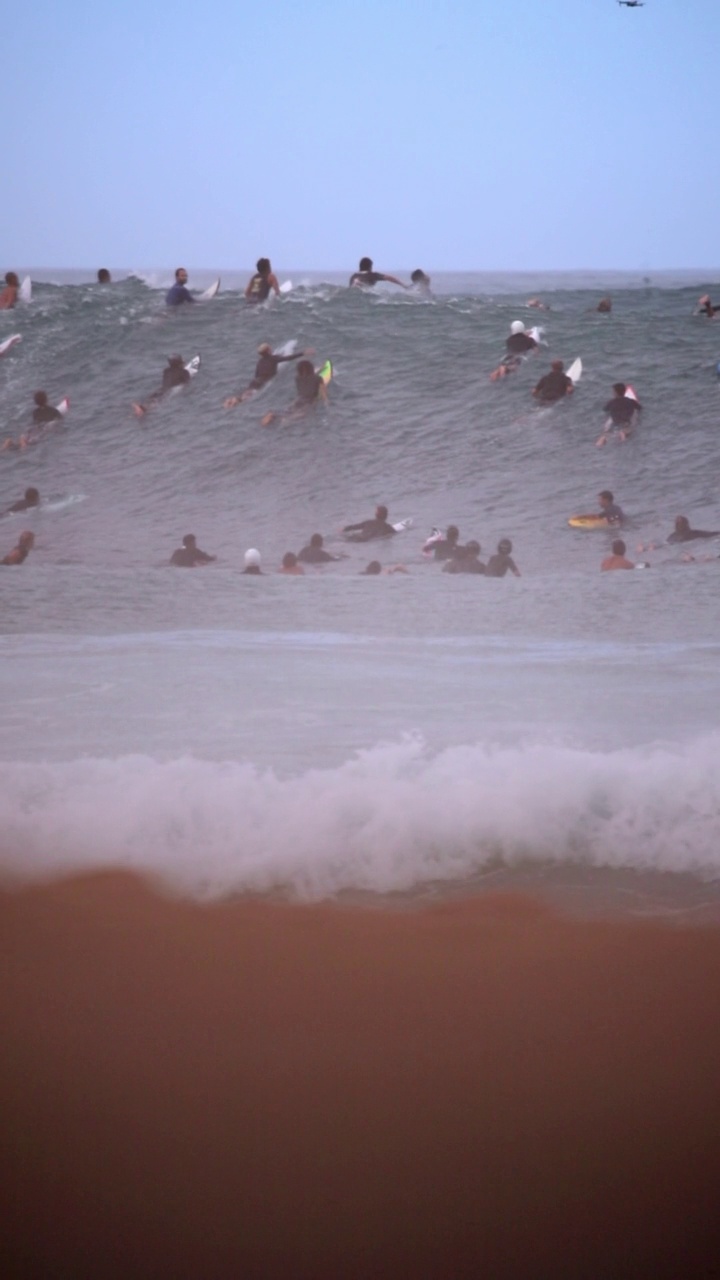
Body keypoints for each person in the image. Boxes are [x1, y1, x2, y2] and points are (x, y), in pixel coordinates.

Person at [223, 343, 314, 408]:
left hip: (255, 381)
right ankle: (235, 402)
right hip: (262, 382)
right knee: (247, 397)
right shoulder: (273, 359)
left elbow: (256, 374)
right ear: (268, 351)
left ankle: (233, 399)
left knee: (247, 392)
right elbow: (288, 358)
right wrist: (303, 353)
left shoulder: (260, 361)